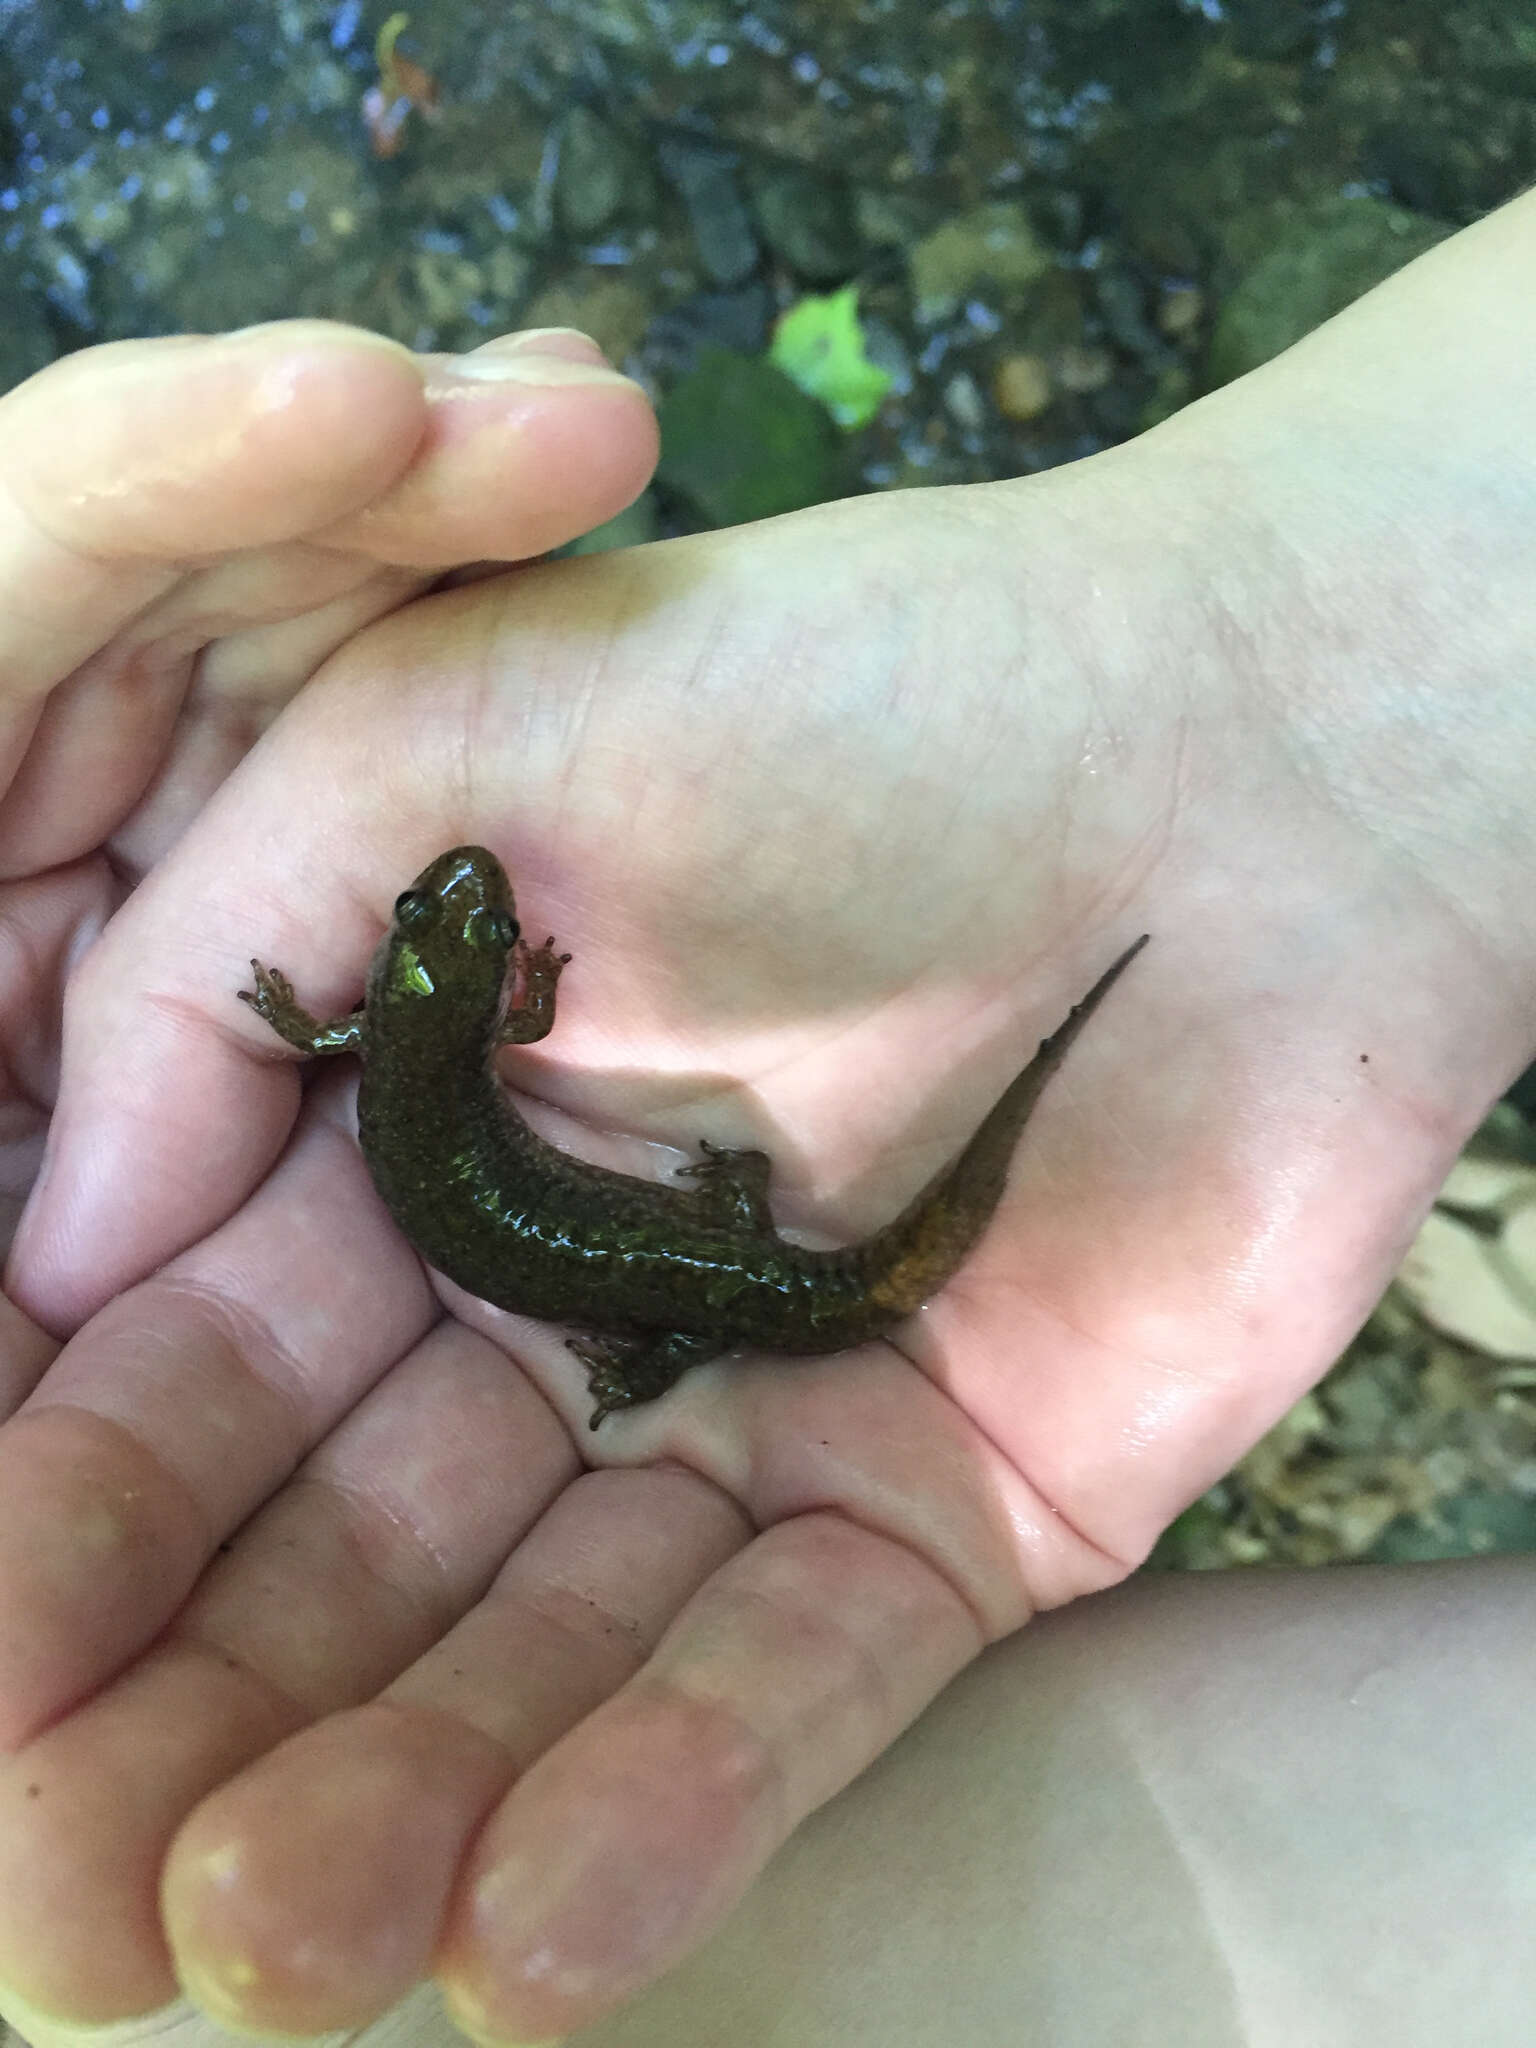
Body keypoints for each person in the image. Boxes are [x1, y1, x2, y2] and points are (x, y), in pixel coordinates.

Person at [1, 187, 1534, 2048]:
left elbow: (337, 1033)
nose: (460, 913)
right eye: (458, 929)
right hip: (686, 1260)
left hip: (645, 1265)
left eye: (455, 928)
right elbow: (432, 1027)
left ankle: (667, 1355)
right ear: (465, 988)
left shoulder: (397, 1048)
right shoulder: (462, 1042)